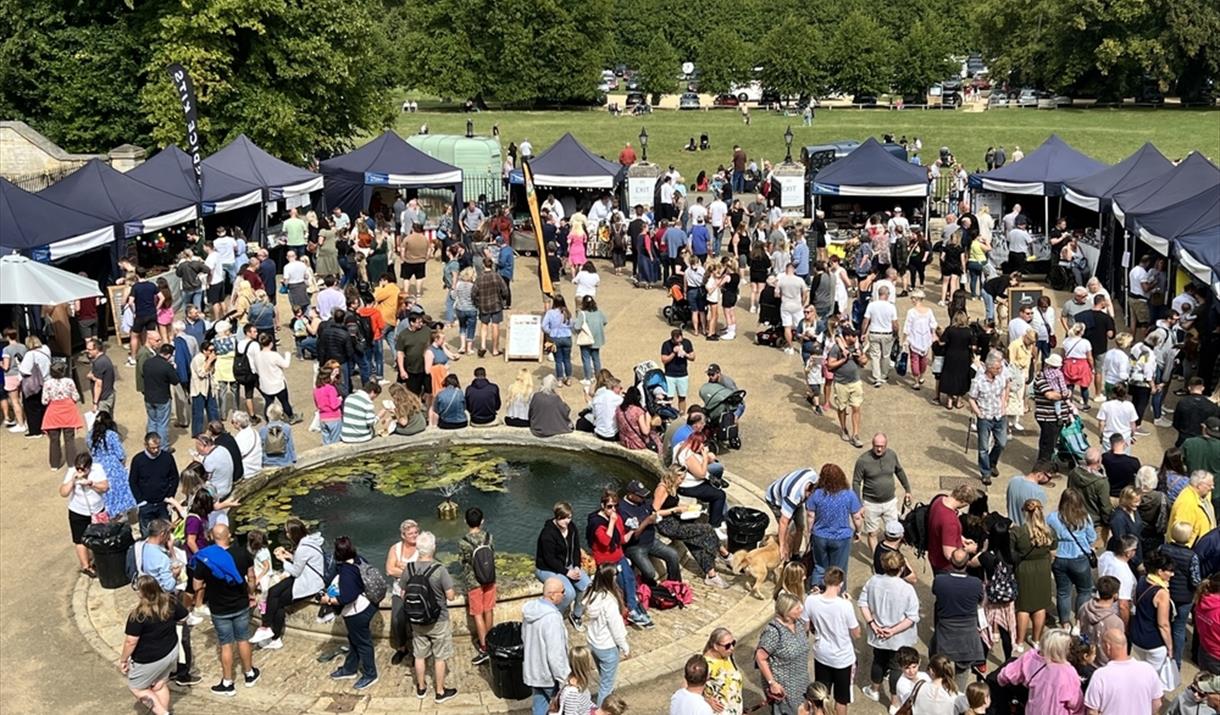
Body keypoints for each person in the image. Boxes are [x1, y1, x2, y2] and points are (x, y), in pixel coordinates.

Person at [191, 523, 260, 696]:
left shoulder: (205, 558)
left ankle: (228, 682)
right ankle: (249, 674)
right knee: (243, 639)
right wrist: (250, 593)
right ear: (229, 536)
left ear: (213, 537)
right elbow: (251, 577)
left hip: (219, 608)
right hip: (241, 604)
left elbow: (196, 585)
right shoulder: (242, 553)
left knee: (226, 644)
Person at [118, 576, 189, 715]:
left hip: (149, 659)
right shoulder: (170, 601)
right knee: (159, 684)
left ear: (141, 593)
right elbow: (184, 617)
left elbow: (131, 642)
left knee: (137, 688)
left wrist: (123, 660)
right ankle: (163, 710)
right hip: (170, 651)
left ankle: (163, 713)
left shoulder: (138, 616)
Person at [252, 518, 325, 650]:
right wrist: (289, 556)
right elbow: (302, 561)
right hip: (305, 576)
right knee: (273, 591)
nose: (286, 535)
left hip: (309, 583)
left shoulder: (303, 548)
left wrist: (282, 560)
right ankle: (267, 628)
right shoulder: (308, 541)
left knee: (278, 601)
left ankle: (273, 634)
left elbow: (296, 571)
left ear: (293, 534)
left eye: (287, 532)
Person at [858, 551, 920, 706]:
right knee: (896, 667)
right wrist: (892, 631)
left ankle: (874, 690)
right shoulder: (907, 589)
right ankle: (894, 702)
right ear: (901, 567)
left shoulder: (873, 581)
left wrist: (873, 624)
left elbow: (862, 603)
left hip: (878, 633)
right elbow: (911, 617)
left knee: (878, 660)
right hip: (899, 637)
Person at [402, 531, 458, 703]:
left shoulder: (409, 568)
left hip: (416, 620)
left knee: (419, 655)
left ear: (418, 549)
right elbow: (450, 596)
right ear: (433, 548)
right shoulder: (439, 570)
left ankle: (421, 688)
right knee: (440, 657)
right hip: (438, 619)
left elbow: (404, 594)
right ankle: (440, 692)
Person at [587, 490, 653, 628]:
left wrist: (632, 530)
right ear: (602, 506)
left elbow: (622, 539)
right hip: (606, 561)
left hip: (619, 555)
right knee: (619, 584)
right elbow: (605, 541)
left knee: (629, 579)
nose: (613, 510)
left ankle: (633, 609)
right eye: (609, 506)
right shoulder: (597, 523)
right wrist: (611, 522)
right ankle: (629, 610)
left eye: (615, 506)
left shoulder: (616, 518)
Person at [653, 467, 728, 587]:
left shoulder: (673, 486)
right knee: (707, 529)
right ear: (673, 476)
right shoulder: (662, 488)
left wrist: (685, 507)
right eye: (681, 478)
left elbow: (672, 502)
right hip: (666, 525)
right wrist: (675, 510)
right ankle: (724, 554)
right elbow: (655, 512)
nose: (682, 481)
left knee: (695, 542)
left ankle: (711, 574)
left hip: (676, 519)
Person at [1046, 489, 1097, 632]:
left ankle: (1065, 624)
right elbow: (1092, 538)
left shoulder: (1052, 518)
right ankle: (1079, 623)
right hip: (1079, 558)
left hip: (1059, 559)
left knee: (1063, 592)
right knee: (1085, 591)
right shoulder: (1085, 518)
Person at [997, 629, 1083, 714]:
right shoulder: (1069, 672)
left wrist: (1001, 682)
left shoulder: (1031, 657)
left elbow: (1006, 675)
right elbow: (1075, 703)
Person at [852, 433, 912, 552]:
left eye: (882, 446)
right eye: (876, 446)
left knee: (895, 531)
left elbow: (899, 471)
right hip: (871, 504)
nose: (879, 449)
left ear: (886, 445)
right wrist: (859, 505)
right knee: (872, 533)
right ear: (872, 444)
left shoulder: (891, 455)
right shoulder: (863, 460)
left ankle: (893, 556)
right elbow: (856, 482)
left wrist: (907, 490)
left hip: (890, 502)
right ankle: (876, 559)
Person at [806, 464, 862, 589]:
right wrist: (858, 531)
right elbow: (857, 517)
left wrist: (809, 532)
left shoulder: (816, 494)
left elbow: (810, 515)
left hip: (820, 536)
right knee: (839, 569)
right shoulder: (849, 495)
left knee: (820, 566)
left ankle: (816, 589)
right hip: (841, 538)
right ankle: (838, 594)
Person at [1083, 628, 1164, 715]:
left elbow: (1092, 711)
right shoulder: (1148, 669)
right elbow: (1157, 703)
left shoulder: (1100, 676)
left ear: (1108, 647)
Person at [535, 502, 590, 627]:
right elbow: (549, 559)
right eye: (564, 518)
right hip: (547, 568)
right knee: (569, 593)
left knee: (586, 585)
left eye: (569, 517)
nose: (567, 521)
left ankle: (576, 614)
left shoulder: (572, 528)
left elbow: (576, 549)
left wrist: (576, 566)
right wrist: (567, 572)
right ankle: (554, 616)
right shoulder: (547, 534)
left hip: (568, 566)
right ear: (557, 517)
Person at [1128, 551, 1176, 694]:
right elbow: (1163, 624)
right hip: (1154, 642)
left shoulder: (1143, 579)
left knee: (1138, 673)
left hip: (1137, 637)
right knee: (1151, 679)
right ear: (1160, 571)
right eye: (1170, 571)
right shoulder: (1162, 593)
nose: (1172, 574)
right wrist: (1170, 647)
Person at [756, 593, 811, 715]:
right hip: (784, 687)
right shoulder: (773, 632)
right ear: (787, 611)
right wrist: (772, 683)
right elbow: (760, 658)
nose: (801, 609)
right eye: (797, 608)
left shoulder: (799, 624)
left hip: (802, 682)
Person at [931, 548, 984, 671]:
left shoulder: (940, 580)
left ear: (951, 561)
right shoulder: (976, 583)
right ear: (967, 563)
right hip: (968, 632)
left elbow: (935, 592)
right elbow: (981, 599)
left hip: (945, 630)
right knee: (963, 670)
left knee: (941, 667)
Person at [523, 577, 571, 715]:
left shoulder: (530, 611)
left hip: (533, 670)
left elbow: (524, 637)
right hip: (548, 674)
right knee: (560, 707)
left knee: (539, 704)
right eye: (562, 591)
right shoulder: (552, 618)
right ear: (552, 594)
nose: (564, 594)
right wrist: (563, 678)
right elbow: (555, 653)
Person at [59, 453, 109, 576]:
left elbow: (105, 487)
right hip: (78, 511)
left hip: (97, 510)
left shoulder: (97, 469)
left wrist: (91, 484)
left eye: (83, 469)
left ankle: (101, 560)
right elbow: (63, 492)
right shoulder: (72, 472)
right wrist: (73, 481)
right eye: (78, 468)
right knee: (80, 539)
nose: (80, 471)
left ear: (89, 467)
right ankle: (86, 566)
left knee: (100, 536)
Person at [458, 508, 496, 665]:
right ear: (482, 521)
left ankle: (484, 647)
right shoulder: (489, 537)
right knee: (488, 610)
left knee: (478, 614)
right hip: (490, 578)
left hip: (473, 581)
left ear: (465, 521)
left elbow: (463, 561)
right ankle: (491, 641)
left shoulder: (463, 542)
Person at [673, 430, 728, 539]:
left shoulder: (680, 446)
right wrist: (705, 457)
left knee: (716, 482)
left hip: (689, 483)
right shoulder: (688, 455)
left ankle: (718, 514)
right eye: (701, 444)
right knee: (720, 495)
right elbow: (702, 474)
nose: (703, 446)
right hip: (688, 486)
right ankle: (715, 525)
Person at [1161, 521, 1202, 667]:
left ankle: (1163, 658)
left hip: (1165, 592)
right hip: (1185, 598)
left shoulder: (1163, 549)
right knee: (1179, 629)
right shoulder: (1192, 556)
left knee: (1163, 624)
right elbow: (1195, 580)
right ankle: (1176, 662)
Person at [766, 467, 819, 563]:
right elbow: (783, 522)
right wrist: (782, 546)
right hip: (776, 501)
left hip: (797, 500)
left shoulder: (813, 477)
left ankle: (795, 554)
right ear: (808, 490)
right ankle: (786, 558)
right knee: (787, 533)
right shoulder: (793, 497)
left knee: (800, 526)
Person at [827, 327, 867, 447]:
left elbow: (864, 361)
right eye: (853, 336)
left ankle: (855, 434)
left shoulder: (856, 347)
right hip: (840, 383)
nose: (855, 338)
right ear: (847, 336)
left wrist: (860, 356)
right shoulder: (836, 349)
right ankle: (844, 428)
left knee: (856, 407)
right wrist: (844, 360)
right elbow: (830, 365)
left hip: (855, 382)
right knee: (842, 408)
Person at [927, 484, 981, 573]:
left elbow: (942, 530)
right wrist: (967, 550)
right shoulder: (950, 521)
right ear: (964, 502)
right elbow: (949, 554)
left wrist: (960, 539)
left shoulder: (939, 500)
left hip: (934, 555)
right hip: (944, 566)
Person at [862, 285, 899, 386]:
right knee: (886, 355)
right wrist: (896, 333)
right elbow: (895, 323)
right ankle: (884, 374)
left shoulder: (871, 305)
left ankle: (877, 377)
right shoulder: (891, 306)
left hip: (874, 332)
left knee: (875, 356)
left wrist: (863, 333)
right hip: (887, 334)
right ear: (887, 295)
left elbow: (866, 320)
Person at [1167, 470, 1215, 546]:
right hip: (1192, 551)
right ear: (1199, 486)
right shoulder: (1187, 503)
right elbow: (1182, 534)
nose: (1212, 488)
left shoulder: (1203, 496)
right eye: (1209, 485)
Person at [573, 296, 608, 383]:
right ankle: (598, 377)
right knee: (596, 359)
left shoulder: (583, 314)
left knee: (586, 359)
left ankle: (588, 378)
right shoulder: (599, 312)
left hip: (586, 340)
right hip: (597, 339)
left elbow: (577, 326)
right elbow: (605, 321)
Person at [661, 328, 696, 412]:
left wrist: (685, 354)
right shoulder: (666, 344)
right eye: (676, 341)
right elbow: (664, 360)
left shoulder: (687, 343)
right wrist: (673, 353)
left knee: (682, 397)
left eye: (680, 340)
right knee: (668, 398)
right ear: (672, 339)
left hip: (683, 375)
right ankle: (668, 415)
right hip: (670, 375)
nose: (679, 343)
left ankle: (682, 414)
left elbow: (693, 357)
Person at [542, 294, 574, 386]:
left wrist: (550, 331)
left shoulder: (550, 313)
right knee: (567, 359)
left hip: (556, 338)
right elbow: (571, 324)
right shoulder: (567, 312)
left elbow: (544, 325)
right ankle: (569, 379)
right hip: (567, 337)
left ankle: (560, 379)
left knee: (558, 360)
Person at [313, 365, 343, 445]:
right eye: (332, 375)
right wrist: (339, 400)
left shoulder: (316, 389)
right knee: (335, 443)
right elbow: (334, 405)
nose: (334, 377)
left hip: (323, 418)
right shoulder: (331, 388)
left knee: (326, 442)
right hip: (334, 418)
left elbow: (317, 404)